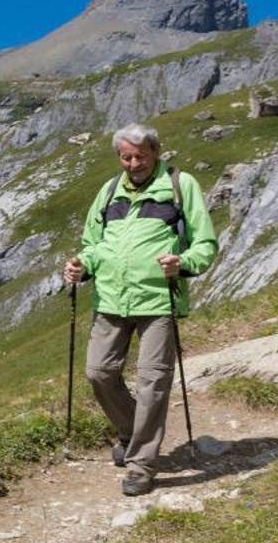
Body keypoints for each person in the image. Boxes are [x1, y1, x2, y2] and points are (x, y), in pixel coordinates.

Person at [63, 124, 219, 496]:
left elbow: (206, 244)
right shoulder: (109, 191)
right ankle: (134, 432)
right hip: (111, 299)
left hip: (158, 300)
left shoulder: (181, 186)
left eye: (140, 157)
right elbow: (93, 243)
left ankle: (141, 465)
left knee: (152, 382)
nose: (133, 164)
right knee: (99, 373)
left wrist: (181, 262)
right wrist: (81, 265)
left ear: (156, 153)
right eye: (126, 157)